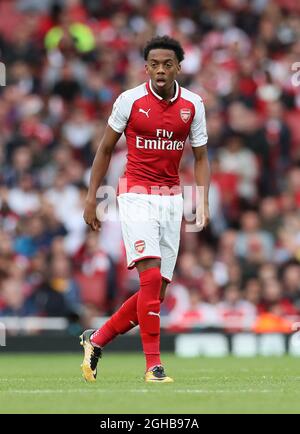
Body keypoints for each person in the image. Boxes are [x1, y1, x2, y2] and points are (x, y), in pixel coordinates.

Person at [80, 35, 210, 383]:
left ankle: (97, 339)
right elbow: (105, 149)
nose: (160, 70)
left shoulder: (193, 104)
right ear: (146, 67)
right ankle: (153, 366)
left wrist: (203, 200)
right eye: (154, 64)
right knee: (150, 278)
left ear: (178, 67)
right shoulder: (129, 101)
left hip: (172, 199)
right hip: (135, 194)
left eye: (167, 64)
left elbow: (200, 156)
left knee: (157, 292)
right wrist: (92, 196)